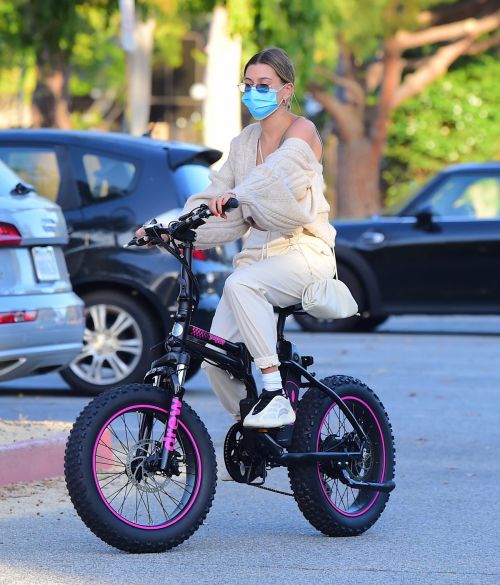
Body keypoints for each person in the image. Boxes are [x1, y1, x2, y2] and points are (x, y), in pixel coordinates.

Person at [137, 47, 336, 429]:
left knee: (241, 285)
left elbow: (277, 177)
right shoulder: (244, 142)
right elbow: (212, 197)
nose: (254, 93)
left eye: (264, 85)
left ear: (286, 90)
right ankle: (254, 427)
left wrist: (241, 195)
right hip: (257, 260)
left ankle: (276, 394)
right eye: (248, 85)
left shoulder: (303, 131)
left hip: (304, 252)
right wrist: (165, 226)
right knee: (214, 354)